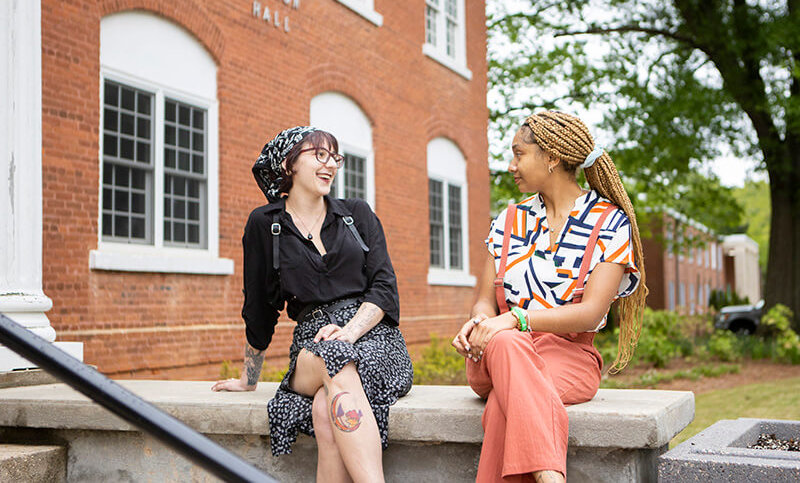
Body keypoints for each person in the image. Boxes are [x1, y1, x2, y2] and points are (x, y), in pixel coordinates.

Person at [452, 111, 647, 483]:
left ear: (552, 157)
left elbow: (590, 314)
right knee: (508, 344)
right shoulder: (508, 220)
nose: (511, 166)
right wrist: (480, 321)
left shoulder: (610, 223)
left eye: (519, 154)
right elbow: (484, 301)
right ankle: (550, 476)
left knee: (501, 408)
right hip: (494, 355)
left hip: (570, 357)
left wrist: (516, 318)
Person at [212, 126, 413, 483]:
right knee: (332, 357)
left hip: (375, 339)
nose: (331, 165)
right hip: (312, 344)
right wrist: (249, 377)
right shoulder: (265, 224)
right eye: (319, 155)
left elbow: (384, 287)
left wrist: (349, 332)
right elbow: (259, 307)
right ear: (289, 163)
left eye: (334, 157)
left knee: (324, 409)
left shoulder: (356, 214)